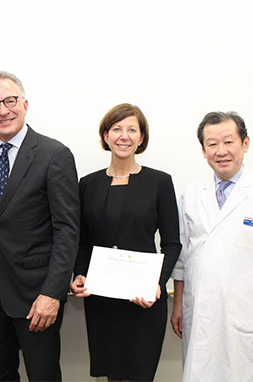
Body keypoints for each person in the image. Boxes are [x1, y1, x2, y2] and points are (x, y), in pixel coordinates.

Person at [0, 71, 80, 381]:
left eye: (10, 101)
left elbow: (67, 229)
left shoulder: (53, 154)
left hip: (36, 298)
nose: (3, 110)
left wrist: (52, 294)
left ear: (25, 104)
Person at [170, 111, 253, 381]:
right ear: (203, 151)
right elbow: (183, 259)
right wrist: (179, 305)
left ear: (245, 144)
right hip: (201, 313)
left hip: (246, 314)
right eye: (212, 144)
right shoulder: (191, 195)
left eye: (228, 142)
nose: (221, 151)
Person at [70, 103, 182, 381]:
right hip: (103, 300)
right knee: (112, 375)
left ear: (141, 138)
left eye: (132, 129)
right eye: (117, 129)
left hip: (143, 298)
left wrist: (157, 283)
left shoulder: (160, 182)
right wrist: (79, 274)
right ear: (105, 135)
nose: (124, 136)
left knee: (140, 374)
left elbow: (172, 243)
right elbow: (81, 241)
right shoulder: (87, 184)